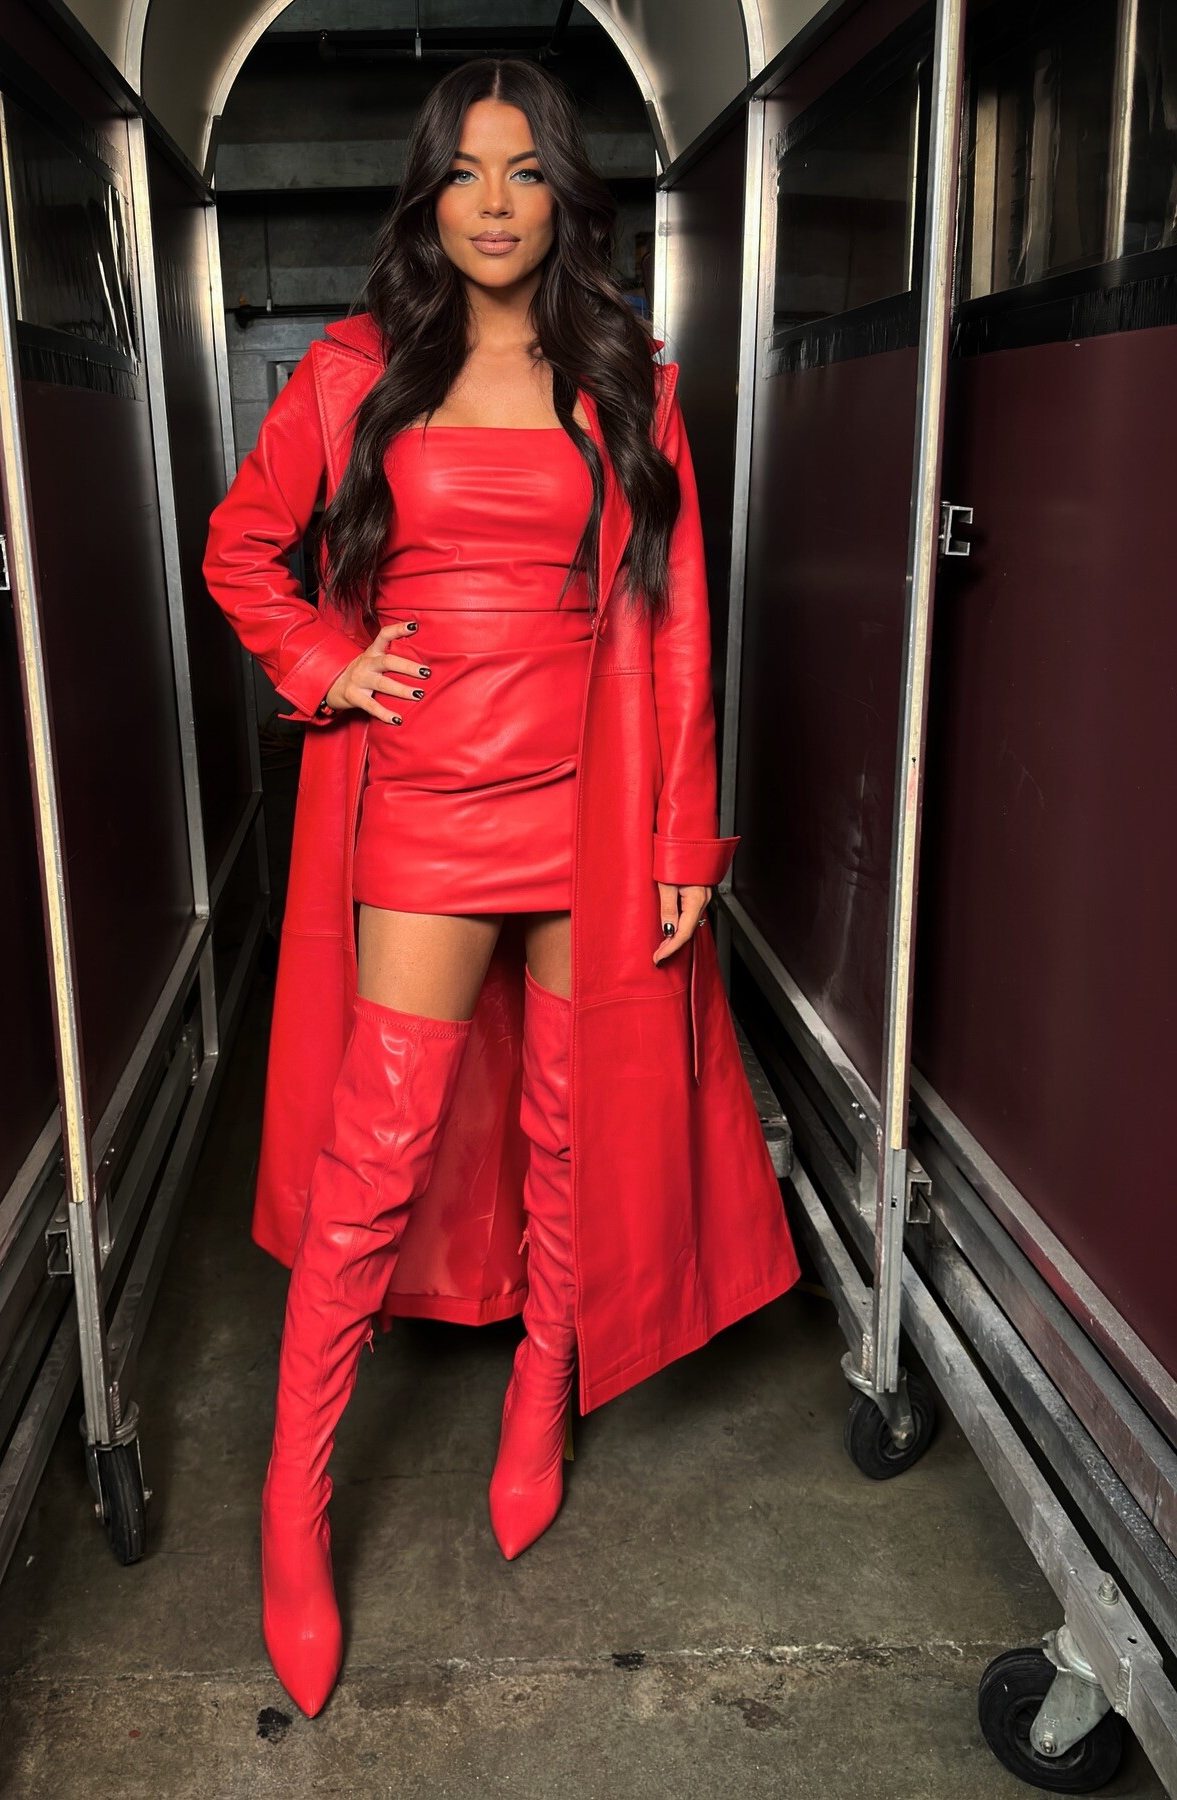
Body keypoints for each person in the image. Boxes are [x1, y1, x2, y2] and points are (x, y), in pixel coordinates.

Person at [202, 56, 800, 1722]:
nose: (491, 201)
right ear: (429, 195)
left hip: (591, 806)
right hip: (426, 805)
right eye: (464, 171)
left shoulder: (629, 381)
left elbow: (673, 618)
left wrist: (683, 841)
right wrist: (325, 665)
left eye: (524, 171)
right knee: (374, 1157)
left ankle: (545, 1389)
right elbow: (242, 548)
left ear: (562, 199)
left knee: (566, 1124)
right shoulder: (356, 371)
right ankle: (294, 1496)